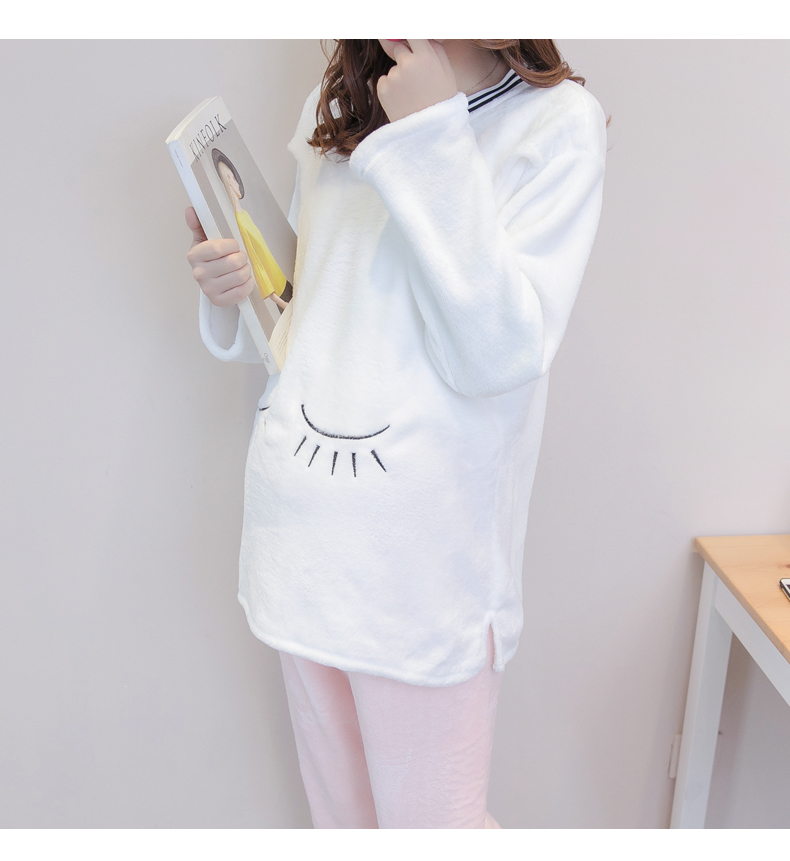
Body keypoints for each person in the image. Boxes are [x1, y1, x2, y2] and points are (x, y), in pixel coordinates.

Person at [184, 39, 607, 829]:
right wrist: (232, 287)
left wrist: (431, 134)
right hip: (302, 541)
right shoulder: (338, 104)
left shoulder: (558, 124)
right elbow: (306, 315)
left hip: (423, 573)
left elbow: (498, 355)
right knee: (343, 827)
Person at [211, 148, 292, 311]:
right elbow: (256, 263)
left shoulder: (245, 214)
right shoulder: (239, 221)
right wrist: (280, 302)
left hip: (283, 281)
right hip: (281, 293)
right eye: (230, 178)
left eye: (234, 177)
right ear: (228, 181)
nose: (235, 182)